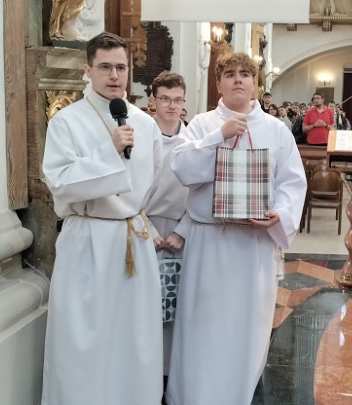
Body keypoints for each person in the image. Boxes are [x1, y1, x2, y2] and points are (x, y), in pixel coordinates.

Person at [167, 51, 307, 405]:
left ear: (255, 83)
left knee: (247, 326)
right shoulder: (202, 124)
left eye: (246, 73)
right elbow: (182, 169)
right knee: (202, 324)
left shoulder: (276, 130)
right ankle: (194, 397)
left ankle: (237, 396)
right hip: (209, 242)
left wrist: (279, 215)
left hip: (252, 244)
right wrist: (219, 135)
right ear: (219, 83)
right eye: (230, 74)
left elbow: (292, 182)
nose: (238, 79)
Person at [41, 32, 163, 405]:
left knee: (134, 341)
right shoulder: (66, 121)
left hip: (133, 242)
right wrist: (109, 152)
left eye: (121, 68)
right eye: (105, 67)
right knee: (83, 343)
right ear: (88, 69)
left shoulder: (145, 123)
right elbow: (60, 183)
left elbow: (155, 179)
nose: (114, 75)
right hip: (87, 242)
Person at [144, 70, 191, 386]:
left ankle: (169, 376)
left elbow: (201, 193)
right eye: (165, 99)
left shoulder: (194, 143)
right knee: (146, 305)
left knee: (176, 306)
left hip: (180, 233)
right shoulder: (141, 139)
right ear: (153, 101)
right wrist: (147, 231)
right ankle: (145, 374)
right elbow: (128, 189)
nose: (172, 106)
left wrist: (181, 232)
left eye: (177, 100)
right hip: (143, 229)